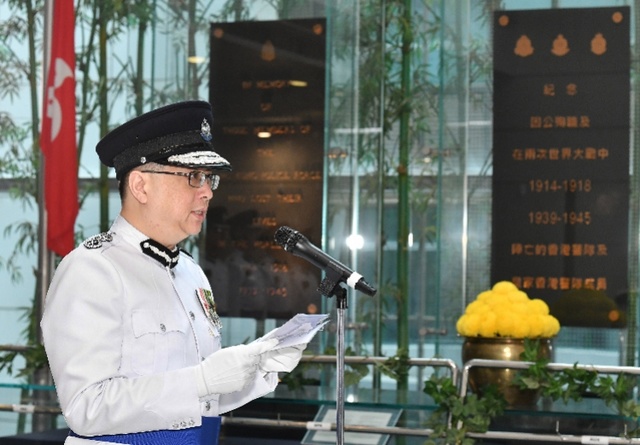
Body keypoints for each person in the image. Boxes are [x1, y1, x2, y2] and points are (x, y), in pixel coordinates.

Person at [41, 101, 306, 445]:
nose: (208, 191)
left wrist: (258, 369)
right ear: (140, 186)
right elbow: (86, 407)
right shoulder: (93, 270)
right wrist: (200, 381)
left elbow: (202, 398)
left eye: (209, 178)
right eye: (192, 176)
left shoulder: (191, 273)